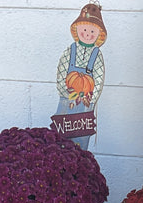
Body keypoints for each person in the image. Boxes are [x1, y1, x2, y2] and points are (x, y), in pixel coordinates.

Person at [53, 4, 107, 150]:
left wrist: (92, 100)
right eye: (84, 29)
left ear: (99, 34)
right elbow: (61, 72)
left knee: (80, 142)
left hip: (85, 104)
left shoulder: (97, 55)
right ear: (77, 29)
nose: (87, 34)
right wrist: (65, 92)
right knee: (60, 139)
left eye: (92, 31)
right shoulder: (70, 50)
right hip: (67, 100)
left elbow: (99, 77)